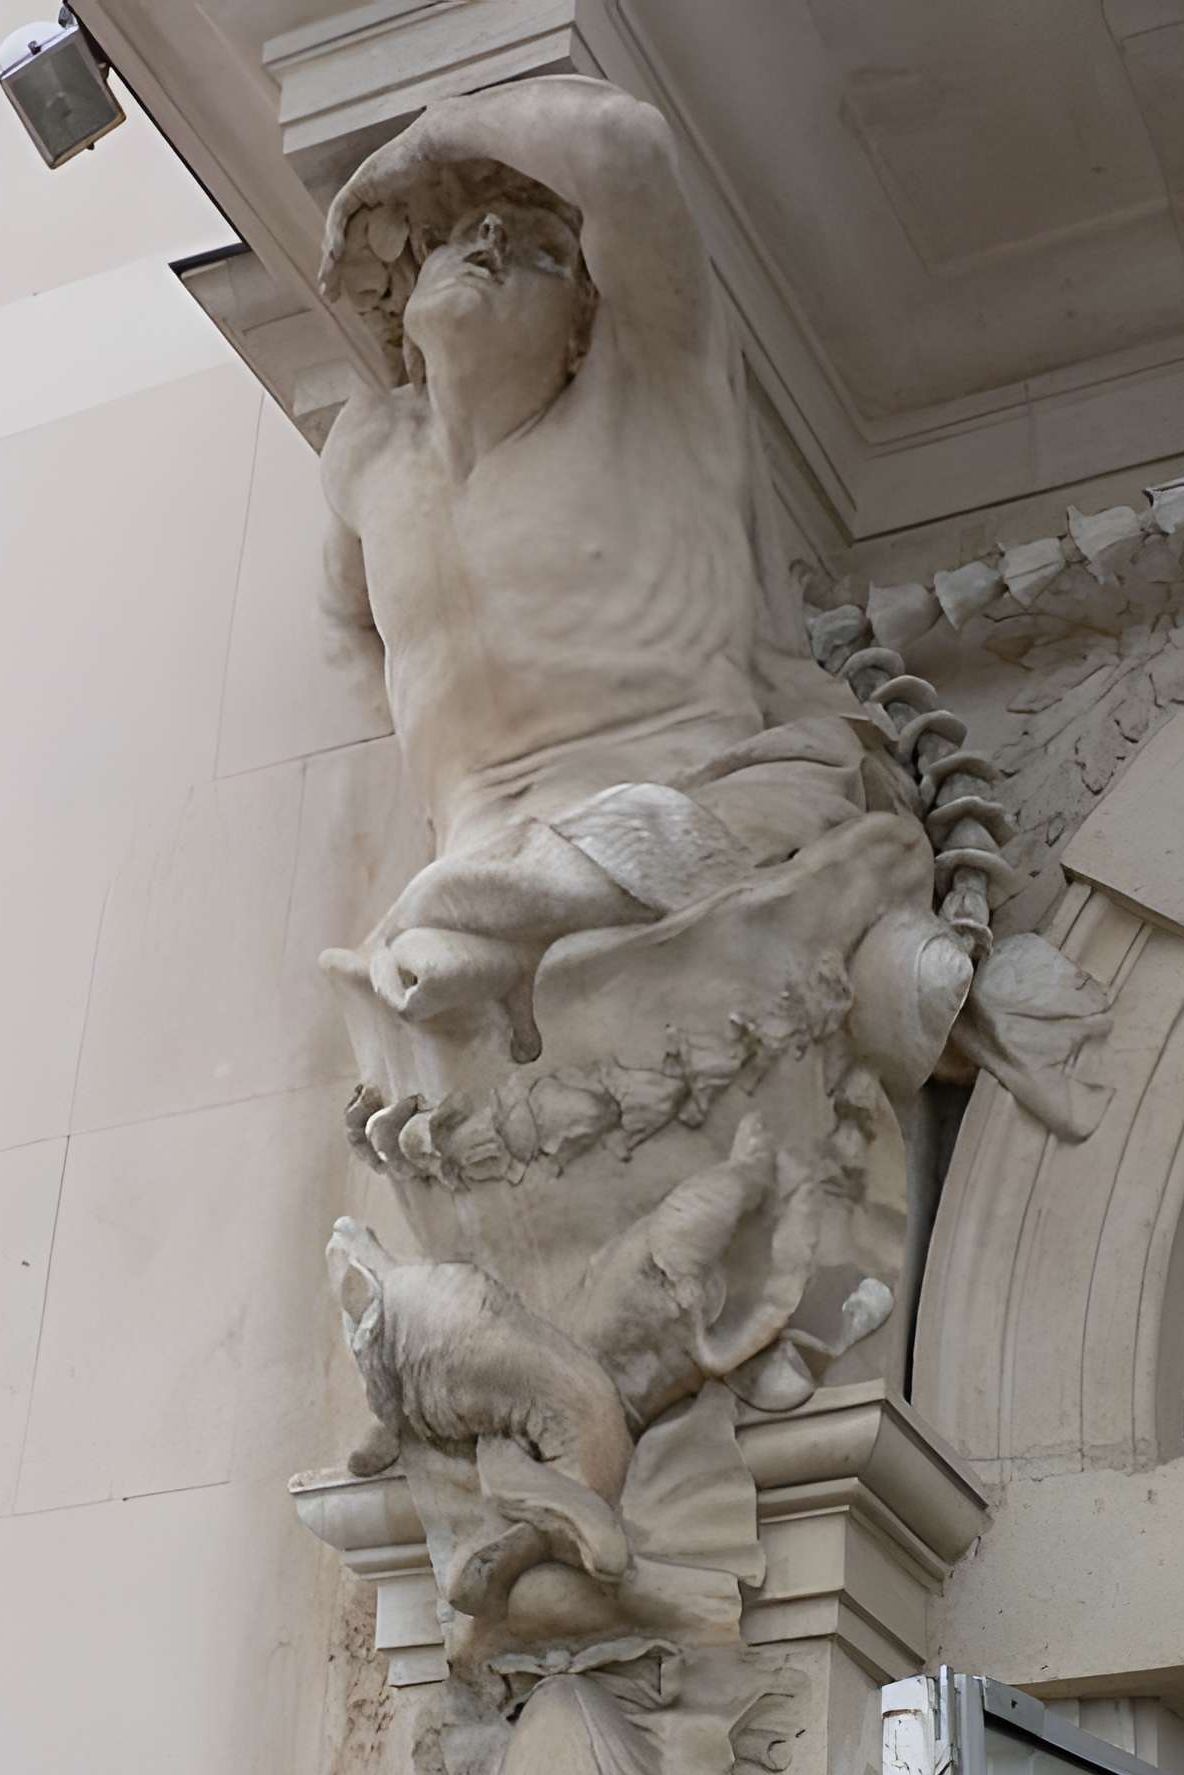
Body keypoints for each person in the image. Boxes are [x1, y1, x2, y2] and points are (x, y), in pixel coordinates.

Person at [317, 79, 899, 1051]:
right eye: (467, 235)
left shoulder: (652, 401)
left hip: (663, 817)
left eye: (541, 251)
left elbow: (622, 143)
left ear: (587, 325)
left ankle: (508, 908)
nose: (490, 244)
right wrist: (434, 760)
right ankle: (489, 907)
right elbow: (346, 623)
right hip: (462, 869)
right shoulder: (368, 458)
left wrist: (429, 138)